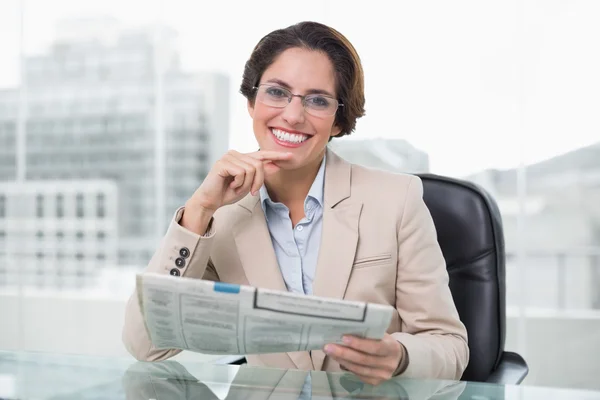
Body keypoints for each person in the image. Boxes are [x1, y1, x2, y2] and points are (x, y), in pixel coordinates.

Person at [123, 21, 469, 385]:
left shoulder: (396, 199)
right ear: (251, 102)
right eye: (277, 92)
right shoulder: (216, 218)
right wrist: (198, 212)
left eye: (318, 100)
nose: (292, 115)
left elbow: (449, 346)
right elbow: (146, 345)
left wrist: (400, 357)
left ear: (338, 120)